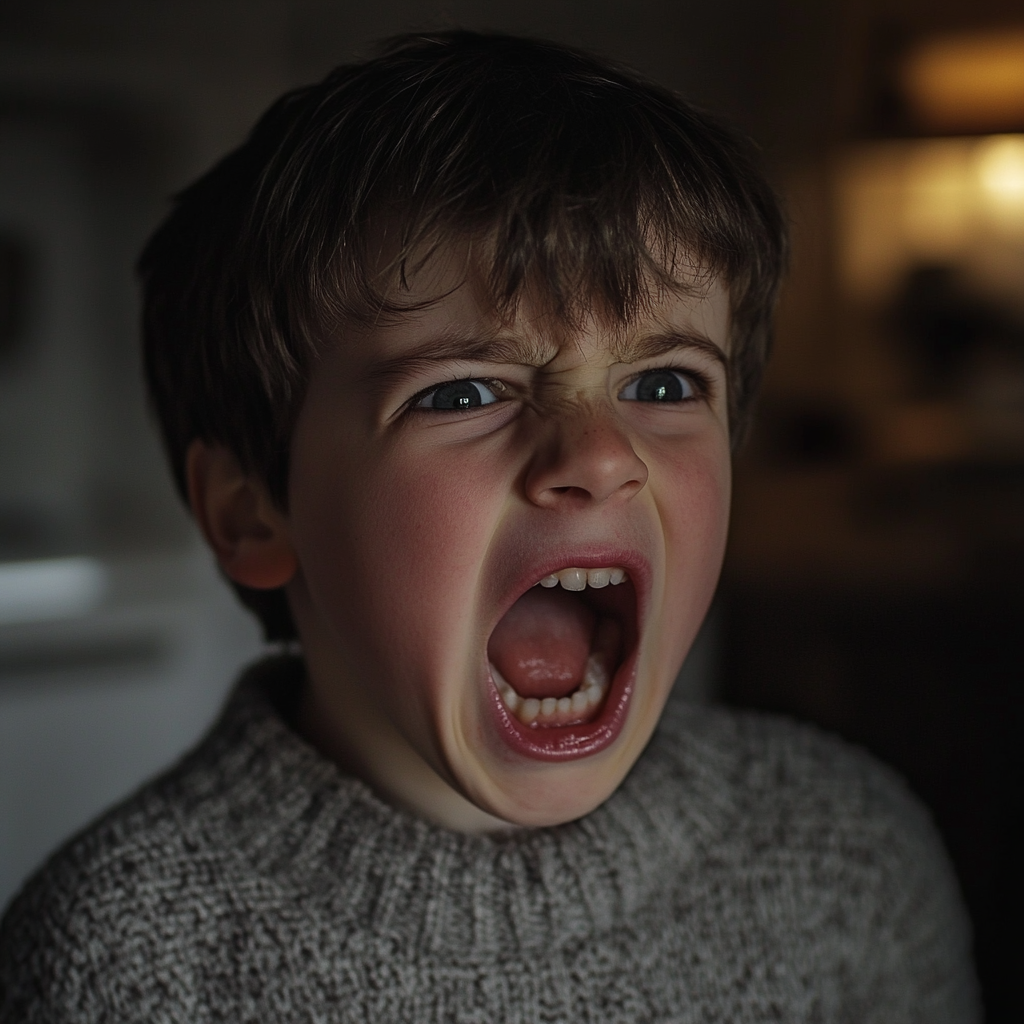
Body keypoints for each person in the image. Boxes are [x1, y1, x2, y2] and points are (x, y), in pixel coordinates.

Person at [0, 31, 979, 1022]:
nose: (602, 454)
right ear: (252, 508)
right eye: (464, 391)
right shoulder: (116, 961)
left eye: (665, 383)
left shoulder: (849, 857)